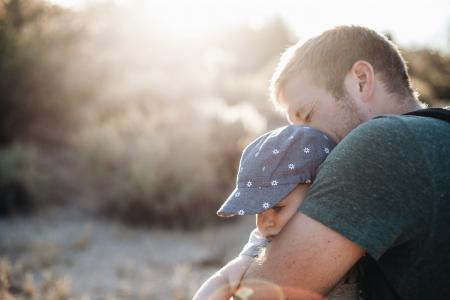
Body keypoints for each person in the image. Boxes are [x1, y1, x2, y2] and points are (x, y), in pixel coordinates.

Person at [224, 25, 450, 300]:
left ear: (361, 80)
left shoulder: (381, 143)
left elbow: (258, 296)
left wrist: (242, 264)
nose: (303, 139)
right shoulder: (437, 133)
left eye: (306, 115)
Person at [192, 124, 339, 300]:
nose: (266, 222)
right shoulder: (263, 242)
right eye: (259, 211)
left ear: (316, 192)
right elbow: (224, 278)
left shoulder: (338, 231)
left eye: (277, 208)